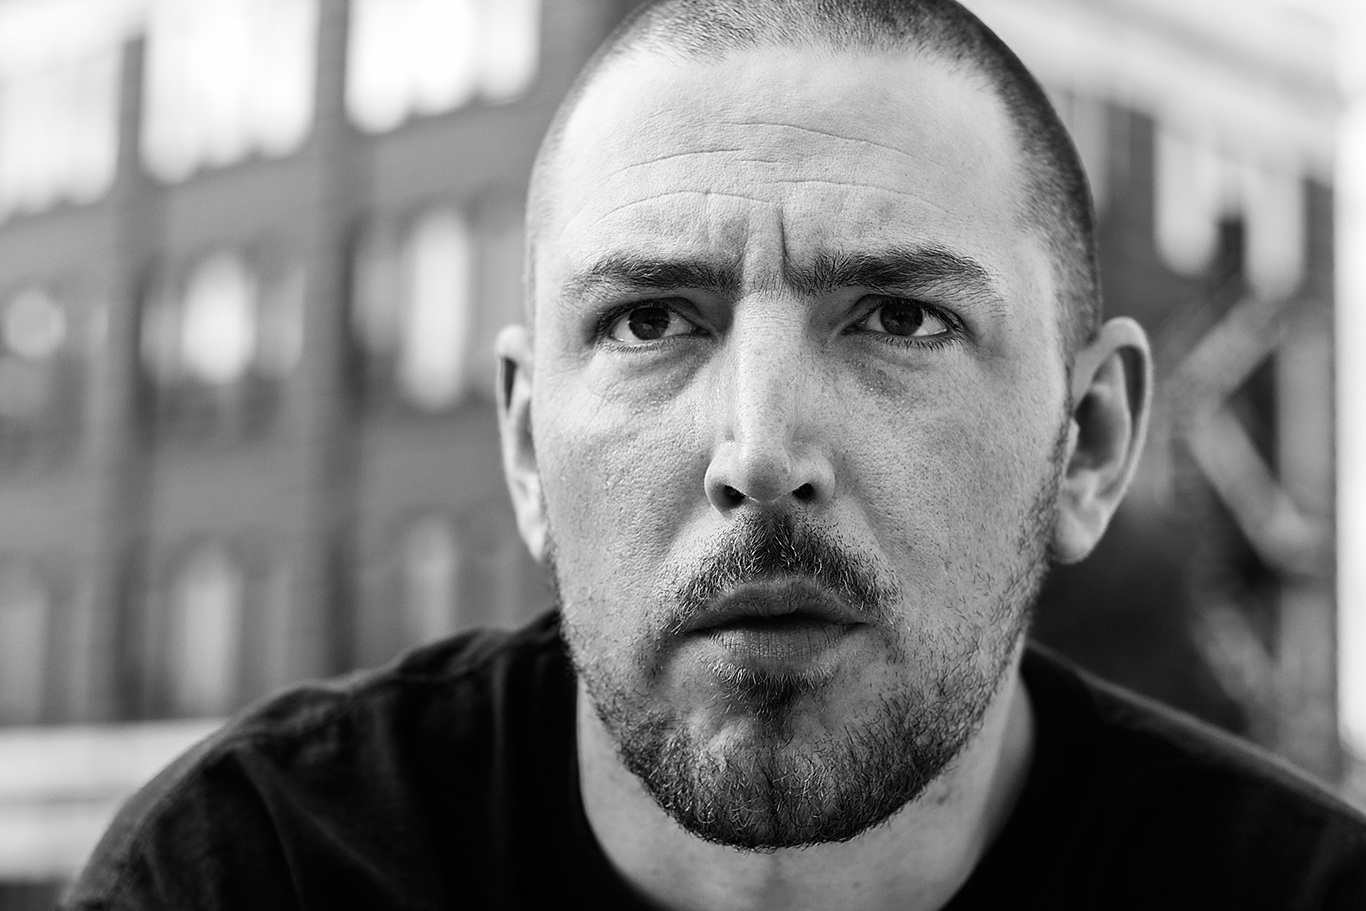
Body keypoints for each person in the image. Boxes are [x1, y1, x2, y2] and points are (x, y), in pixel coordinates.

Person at [66, 1, 1366, 909]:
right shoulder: (250, 872)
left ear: (1084, 442)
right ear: (526, 446)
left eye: (898, 317)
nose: (757, 452)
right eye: (649, 321)